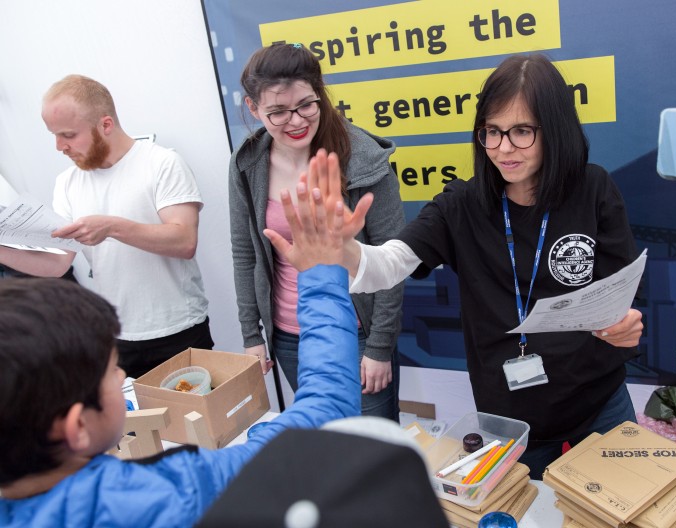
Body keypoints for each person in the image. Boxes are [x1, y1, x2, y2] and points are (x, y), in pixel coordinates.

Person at [269, 54, 644, 480]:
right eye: (492, 132)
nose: (504, 148)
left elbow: (623, 290)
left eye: (522, 131)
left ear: (555, 129)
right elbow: (391, 263)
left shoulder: (593, 189)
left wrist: (627, 324)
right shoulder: (463, 205)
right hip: (511, 417)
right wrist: (346, 252)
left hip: (598, 401)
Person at [0, 193, 362, 527]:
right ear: (77, 428)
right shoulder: (174, 490)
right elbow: (326, 410)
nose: (123, 373)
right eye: (112, 371)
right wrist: (322, 273)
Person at [229, 42, 405, 420]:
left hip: (357, 332)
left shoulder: (364, 157)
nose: (295, 121)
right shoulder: (248, 163)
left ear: (320, 94)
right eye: (277, 111)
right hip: (291, 335)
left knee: (375, 452)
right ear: (253, 108)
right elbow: (245, 252)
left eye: (306, 105)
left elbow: (393, 259)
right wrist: (251, 335)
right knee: (327, 445)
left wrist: (379, 347)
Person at [0, 74, 212, 378]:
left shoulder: (162, 163)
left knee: (198, 425)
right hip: (117, 336)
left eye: (69, 135)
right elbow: (57, 264)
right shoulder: (68, 182)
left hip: (179, 331)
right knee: (132, 427)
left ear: (106, 125)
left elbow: (184, 241)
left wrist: (111, 227)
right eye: (54, 135)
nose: (60, 146)